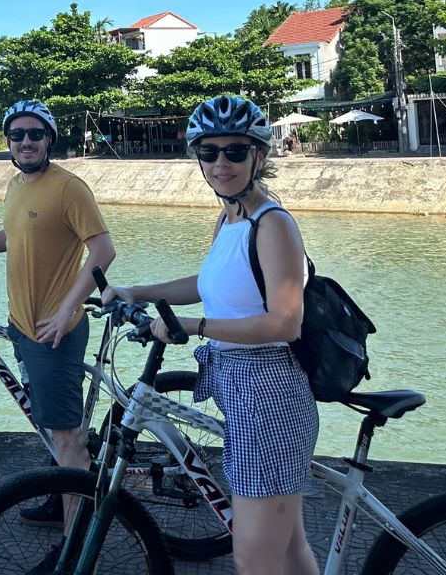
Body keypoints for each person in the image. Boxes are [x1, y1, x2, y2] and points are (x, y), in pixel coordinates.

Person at [101, 95, 319, 575]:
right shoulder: (229, 218)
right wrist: (135, 291)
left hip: (270, 395)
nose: (222, 163)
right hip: (239, 387)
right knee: (287, 550)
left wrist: (191, 326)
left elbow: (286, 323)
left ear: (258, 156)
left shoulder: (273, 223)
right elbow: (208, 285)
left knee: (254, 559)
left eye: (235, 151)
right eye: (209, 151)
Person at [0, 99, 116, 564]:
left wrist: (67, 309)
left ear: (49, 140)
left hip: (53, 333)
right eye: (17, 135)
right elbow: (14, 236)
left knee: (67, 440)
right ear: (8, 142)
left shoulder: (68, 188)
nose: (25, 142)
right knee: (49, 423)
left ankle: (75, 550)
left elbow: (103, 249)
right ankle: (59, 500)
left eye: (35, 135)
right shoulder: (16, 186)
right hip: (23, 326)